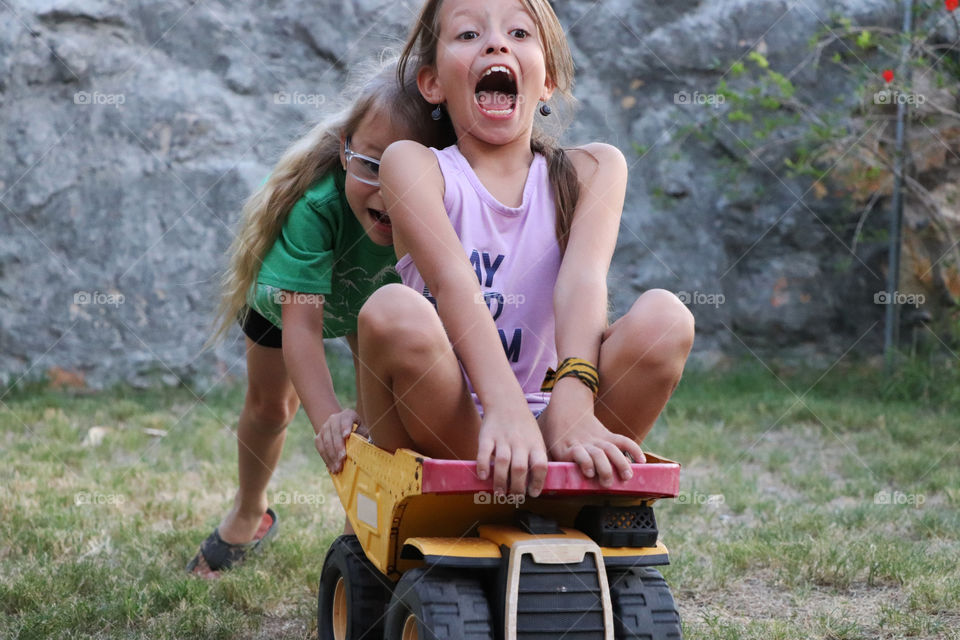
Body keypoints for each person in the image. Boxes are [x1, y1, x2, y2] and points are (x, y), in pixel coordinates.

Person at [322, 0, 695, 499]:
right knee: (390, 309)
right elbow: (453, 281)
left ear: (547, 82)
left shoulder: (594, 170)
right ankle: (506, 487)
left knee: (666, 318)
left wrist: (573, 401)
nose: (497, 43)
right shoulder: (412, 166)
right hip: (446, 425)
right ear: (433, 83)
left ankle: (572, 479)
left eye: (520, 33)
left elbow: (582, 283)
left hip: (557, 417)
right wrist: (503, 408)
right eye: (469, 34)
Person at [186, 59, 455, 578]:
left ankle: (373, 530)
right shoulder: (315, 207)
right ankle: (248, 510)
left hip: (373, 308)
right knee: (270, 408)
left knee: (381, 424)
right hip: (288, 304)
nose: (385, 192)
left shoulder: (437, 214)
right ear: (344, 150)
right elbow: (302, 330)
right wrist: (330, 418)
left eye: (405, 175)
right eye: (371, 166)